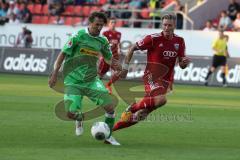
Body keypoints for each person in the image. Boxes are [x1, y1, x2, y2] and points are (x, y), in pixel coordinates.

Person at [48, 12, 121, 145]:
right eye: (96, 24)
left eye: (101, 25)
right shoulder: (78, 36)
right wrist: (54, 73)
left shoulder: (103, 40)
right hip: (73, 80)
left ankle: (108, 136)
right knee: (70, 113)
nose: (99, 27)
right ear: (90, 23)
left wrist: (116, 66)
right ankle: (79, 118)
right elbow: (63, 54)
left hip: (91, 80)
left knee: (110, 107)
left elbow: (108, 58)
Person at [112, 14, 190, 132]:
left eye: (169, 25)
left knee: (143, 114)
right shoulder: (153, 38)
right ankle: (133, 107)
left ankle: (110, 130)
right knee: (161, 100)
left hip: (165, 80)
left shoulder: (179, 41)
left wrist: (184, 63)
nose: (166, 28)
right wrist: (125, 68)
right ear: (161, 25)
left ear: (174, 25)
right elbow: (132, 48)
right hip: (151, 76)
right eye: (164, 25)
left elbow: (182, 65)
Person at [98, 17, 121, 94]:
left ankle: (108, 85)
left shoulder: (118, 34)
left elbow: (118, 43)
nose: (113, 24)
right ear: (108, 24)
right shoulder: (105, 33)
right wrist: (101, 55)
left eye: (114, 22)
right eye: (111, 22)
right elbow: (102, 44)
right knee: (100, 74)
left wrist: (119, 49)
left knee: (118, 72)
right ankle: (95, 87)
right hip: (106, 56)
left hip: (115, 56)